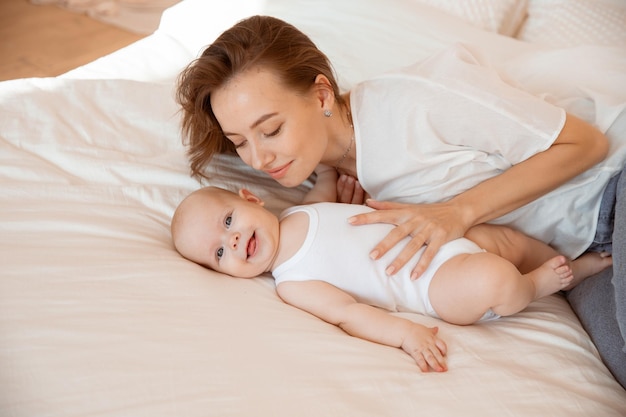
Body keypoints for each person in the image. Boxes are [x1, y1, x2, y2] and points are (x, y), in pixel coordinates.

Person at [175, 16, 625, 385]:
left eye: (270, 130)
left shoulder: (414, 103)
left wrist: (458, 212)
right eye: (240, 142)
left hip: (609, 193)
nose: (259, 158)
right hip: (573, 256)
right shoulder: (325, 184)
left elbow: (585, 146)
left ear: (321, 94)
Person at [170, 167, 610, 373]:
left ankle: (569, 266)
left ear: (251, 199)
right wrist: (404, 335)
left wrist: (329, 176)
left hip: (439, 239)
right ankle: (538, 285)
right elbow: (348, 313)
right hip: (434, 285)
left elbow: (326, 194)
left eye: (228, 222)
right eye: (219, 254)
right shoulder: (292, 283)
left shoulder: (298, 214)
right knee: (496, 280)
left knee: (509, 241)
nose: (231, 242)